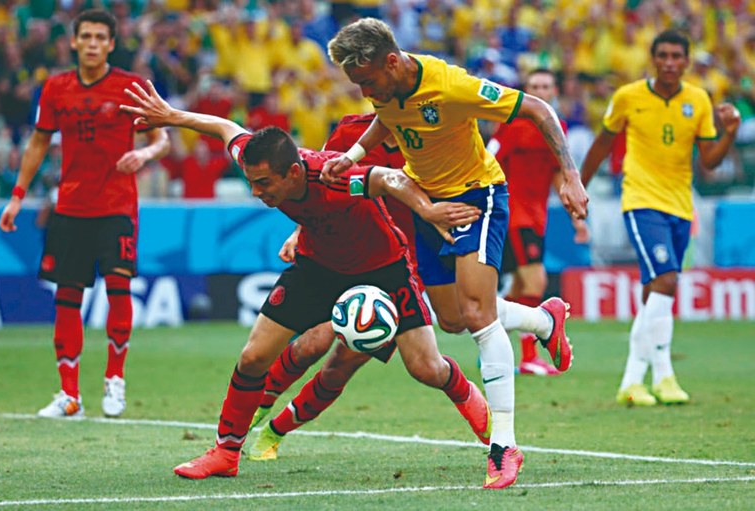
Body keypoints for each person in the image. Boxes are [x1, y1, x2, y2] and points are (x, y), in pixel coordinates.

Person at [120, 80, 492, 481]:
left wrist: (428, 210)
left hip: (383, 267)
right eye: (251, 181)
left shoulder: (331, 178)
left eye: (264, 184)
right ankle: (226, 453)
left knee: (426, 368)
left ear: (294, 172)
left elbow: (388, 179)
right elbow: (226, 128)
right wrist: (172, 116)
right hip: (318, 265)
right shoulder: (260, 157)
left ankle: (478, 408)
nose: (256, 191)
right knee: (253, 357)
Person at [321, 18, 589, 489]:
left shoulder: (451, 86)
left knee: (478, 316)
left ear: (391, 61)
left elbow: (538, 108)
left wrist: (570, 174)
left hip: (477, 198)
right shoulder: (385, 88)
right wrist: (355, 155)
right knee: (451, 319)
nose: (365, 93)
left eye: (367, 81)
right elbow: (389, 117)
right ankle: (543, 321)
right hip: (430, 204)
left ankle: (503, 446)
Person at [0, 9, 169, 419]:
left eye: (100, 37)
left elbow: (161, 137)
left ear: (111, 44)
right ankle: (69, 394)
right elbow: (38, 143)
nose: (92, 43)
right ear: (73, 42)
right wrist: (17, 196)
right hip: (70, 207)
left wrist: (143, 154)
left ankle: (115, 380)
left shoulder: (129, 86)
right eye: (86, 36)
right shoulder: (56, 88)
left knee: (118, 288)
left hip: (117, 206)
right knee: (67, 298)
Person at [244, 112, 425, 460]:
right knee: (312, 342)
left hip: (397, 263)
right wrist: (298, 231)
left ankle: (275, 431)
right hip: (337, 256)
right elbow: (315, 186)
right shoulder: (350, 132)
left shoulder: (433, 132)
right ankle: (259, 404)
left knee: (343, 362)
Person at [580, 29, 740, 407]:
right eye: (663, 55)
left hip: (680, 205)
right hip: (640, 200)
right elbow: (602, 144)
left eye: (676, 56)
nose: (669, 62)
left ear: (686, 61)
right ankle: (662, 375)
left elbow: (709, 161)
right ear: (653, 59)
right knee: (667, 281)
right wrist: (578, 187)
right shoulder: (628, 97)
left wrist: (730, 133)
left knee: (655, 290)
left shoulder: (698, 100)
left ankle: (633, 382)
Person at [488, 68, 590, 376]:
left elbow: (559, 173)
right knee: (536, 283)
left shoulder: (557, 127)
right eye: (534, 86)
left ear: (555, 91)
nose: (540, 91)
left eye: (546, 86)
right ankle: (529, 357)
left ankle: (490, 344)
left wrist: (576, 218)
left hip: (536, 217)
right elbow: (488, 160)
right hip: (512, 216)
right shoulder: (512, 124)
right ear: (526, 91)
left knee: (520, 288)